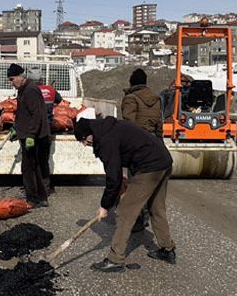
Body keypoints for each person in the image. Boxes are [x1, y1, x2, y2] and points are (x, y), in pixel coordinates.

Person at [73, 116, 176, 273]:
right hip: (163, 160)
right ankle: (167, 249)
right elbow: (124, 157)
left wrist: (105, 205)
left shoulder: (105, 140)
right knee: (157, 208)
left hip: (149, 166)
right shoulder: (108, 128)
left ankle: (115, 259)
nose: (84, 144)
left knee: (124, 213)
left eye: (83, 140)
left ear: (89, 134)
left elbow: (112, 178)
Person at [120, 68, 163, 233]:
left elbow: (129, 125)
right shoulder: (155, 98)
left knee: (136, 184)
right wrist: (159, 143)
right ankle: (146, 216)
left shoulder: (131, 99)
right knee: (150, 184)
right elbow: (159, 124)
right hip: (153, 144)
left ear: (132, 82)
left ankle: (138, 219)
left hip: (138, 147)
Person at [8, 63, 51, 207]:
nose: (11, 82)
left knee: (30, 168)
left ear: (21, 76)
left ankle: (34, 199)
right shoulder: (22, 90)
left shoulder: (31, 90)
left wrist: (31, 135)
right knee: (31, 167)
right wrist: (16, 128)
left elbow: (36, 115)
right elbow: (23, 113)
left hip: (35, 137)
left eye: (12, 79)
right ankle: (38, 196)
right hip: (26, 133)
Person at [27, 67, 62, 194]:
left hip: (32, 130)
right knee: (44, 160)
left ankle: (33, 187)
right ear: (41, 79)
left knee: (31, 160)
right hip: (46, 129)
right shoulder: (50, 90)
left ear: (29, 79)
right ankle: (46, 187)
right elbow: (59, 100)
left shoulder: (28, 90)